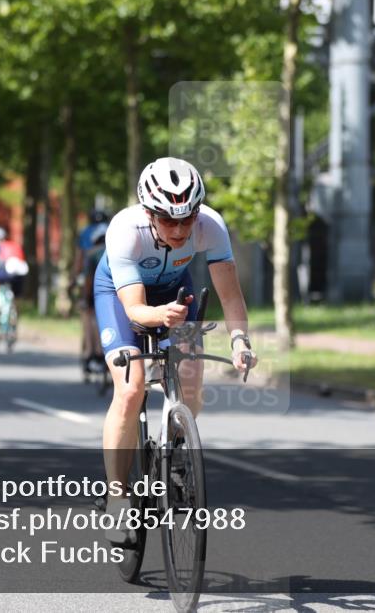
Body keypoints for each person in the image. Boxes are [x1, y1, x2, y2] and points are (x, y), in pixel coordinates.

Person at [93, 157, 257, 539]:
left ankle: (176, 443)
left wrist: (239, 340)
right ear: (149, 213)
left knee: (191, 381)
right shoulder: (125, 230)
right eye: (169, 220)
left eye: (188, 218)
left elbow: (231, 296)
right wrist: (156, 315)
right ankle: (117, 498)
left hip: (174, 294)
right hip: (121, 297)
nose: (181, 229)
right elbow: (134, 308)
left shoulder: (211, 226)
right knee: (131, 388)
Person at [79, 224, 108, 375]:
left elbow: (88, 279)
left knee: (89, 317)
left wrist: (85, 298)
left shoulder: (91, 253)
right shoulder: (117, 250)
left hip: (99, 291)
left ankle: (92, 352)